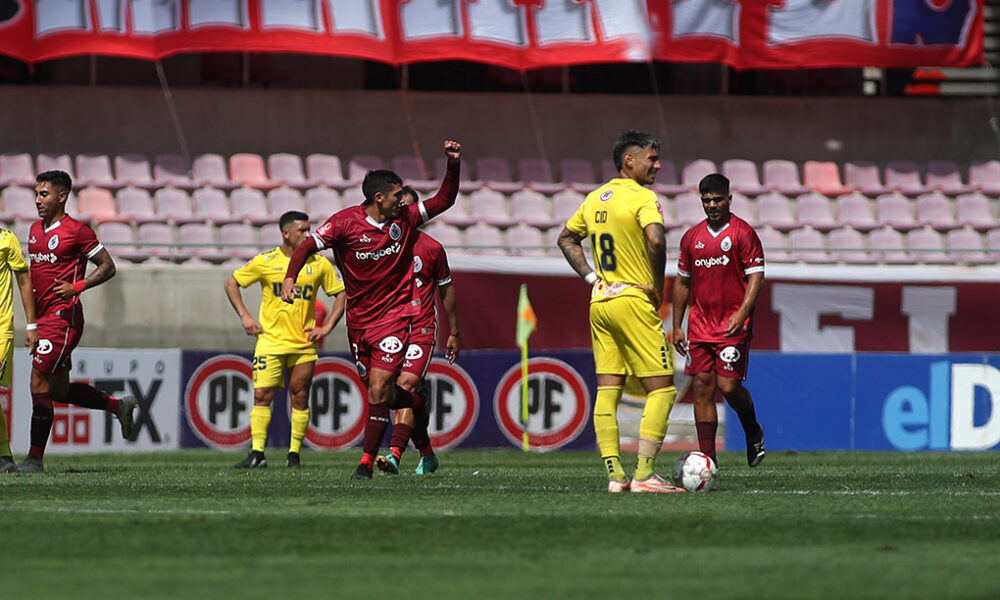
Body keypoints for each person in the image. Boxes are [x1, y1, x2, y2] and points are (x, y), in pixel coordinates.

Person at [281, 140, 462, 479]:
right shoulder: (344, 224)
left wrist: (453, 164)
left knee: (380, 387)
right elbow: (307, 245)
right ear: (379, 198)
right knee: (385, 393)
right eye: (397, 195)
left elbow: (444, 200)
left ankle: (367, 462)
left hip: (395, 319)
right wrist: (290, 278)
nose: (403, 200)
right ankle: (418, 405)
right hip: (358, 321)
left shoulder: (405, 220)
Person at [557, 130, 683, 493]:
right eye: (652, 159)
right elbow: (656, 240)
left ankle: (615, 476)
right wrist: (657, 287)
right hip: (633, 300)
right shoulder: (643, 197)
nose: (657, 166)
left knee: (608, 388)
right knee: (662, 389)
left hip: (600, 301)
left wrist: (591, 277)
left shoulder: (596, 198)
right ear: (630, 160)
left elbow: (566, 238)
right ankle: (644, 474)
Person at [19, 170, 137, 473]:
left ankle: (34, 460)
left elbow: (108, 267)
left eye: (44, 194)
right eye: (36, 194)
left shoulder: (78, 231)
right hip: (43, 320)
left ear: (62, 196)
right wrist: (31, 324)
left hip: (64, 318)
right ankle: (118, 406)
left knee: (38, 382)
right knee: (57, 391)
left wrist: (78, 287)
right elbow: (32, 281)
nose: (37, 200)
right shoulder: (34, 230)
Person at [225, 211, 346, 468]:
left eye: (308, 229)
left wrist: (327, 328)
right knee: (262, 395)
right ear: (286, 233)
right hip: (269, 341)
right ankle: (257, 453)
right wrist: (245, 316)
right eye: (302, 230)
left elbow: (341, 293)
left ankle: (294, 455)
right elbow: (232, 283)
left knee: (300, 396)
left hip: (303, 343)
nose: (307, 234)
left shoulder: (319, 264)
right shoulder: (266, 261)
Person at [671, 173, 766, 468]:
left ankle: (752, 428)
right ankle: (707, 461)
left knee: (728, 387)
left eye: (717, 199)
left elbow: (756, 277)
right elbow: (683, 283)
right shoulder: (692, 238)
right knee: (701, 385)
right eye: (706, 200)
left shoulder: (742, 233)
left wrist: (742, 313)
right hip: (700, 325)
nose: (712, 205)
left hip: (731, 326)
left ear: (729, 199)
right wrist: (676, 325)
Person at [374, 186, 460, 476]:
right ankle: (426, 453)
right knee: (395, 393)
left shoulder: (433, 248)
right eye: (399, 208)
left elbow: (446, 290)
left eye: (408, 208)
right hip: (387, 327)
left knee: (406, 386)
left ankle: (395, 454)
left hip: (420, 326)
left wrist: (454, 332)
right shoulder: (380, 246)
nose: (402, 214)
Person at [0, 227, 38, 473]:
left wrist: (31, 324)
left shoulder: (5, 238)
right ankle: (4, 457)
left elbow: (24, 280)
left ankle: (4, 457)